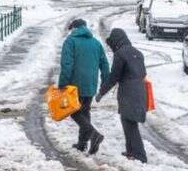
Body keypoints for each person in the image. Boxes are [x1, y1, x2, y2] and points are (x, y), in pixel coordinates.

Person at [96, 28, 148, 163]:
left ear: (116, 41)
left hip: (129, 91)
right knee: (128, 121)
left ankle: (140, 155)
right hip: (140, 90)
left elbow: (114, 77)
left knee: (130, 123)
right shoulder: (138, 53)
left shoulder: (120, 54)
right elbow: (143, 73)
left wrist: (101, 92)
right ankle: (131, 151)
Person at [58, 18, 110, 155]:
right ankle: (82, 144)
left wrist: (63, 84)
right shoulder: (96, 43)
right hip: (91, 84)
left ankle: (94, 135)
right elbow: (105, 65)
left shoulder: (70, 41)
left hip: (74, 86)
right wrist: (105, 82)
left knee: (73, 111)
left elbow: (66, 65)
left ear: (74, 28)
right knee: (85, 112)